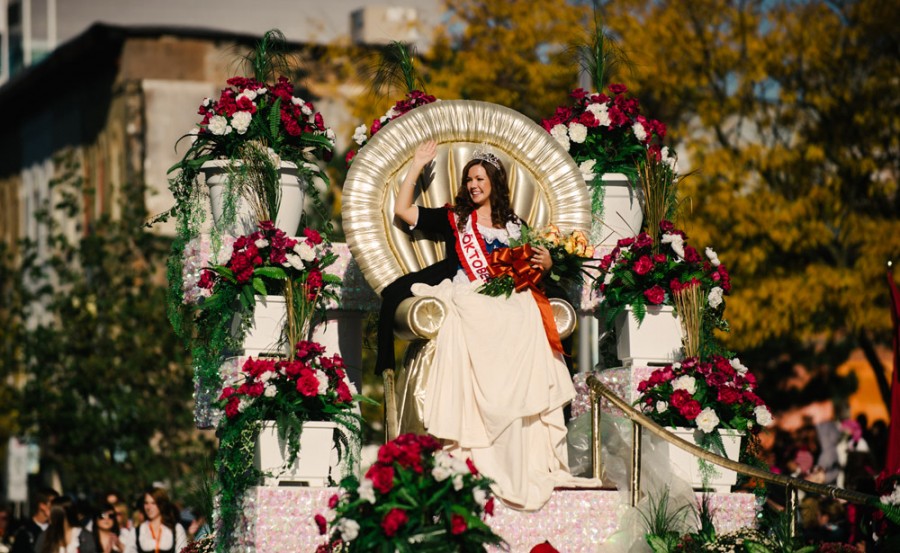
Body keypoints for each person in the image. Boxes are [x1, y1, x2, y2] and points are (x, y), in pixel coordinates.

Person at [382, 140, 593, 510]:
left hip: (512, 297)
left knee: (527, 314)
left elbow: (532, 271)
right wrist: (416, 164)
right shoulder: (455, 219)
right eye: (468, 180)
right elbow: (402, 210)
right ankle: (478, 446)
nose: (473, 185)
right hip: (471, 293)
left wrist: (545, 265)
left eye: (479, 178)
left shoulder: (517, 226)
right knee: (485, 314)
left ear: (495, 181)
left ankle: (522, 445)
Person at [125, 488, 185, 553]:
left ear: (162, 504)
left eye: (153, 503)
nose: (149, 507)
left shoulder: (176, 529)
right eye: (146, 503)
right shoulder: (136, 532)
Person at [11, 487, 59, 553]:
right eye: (54, 504)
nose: (57, 508)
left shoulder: (56, 529)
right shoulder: (25, 532)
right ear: (42, 506)